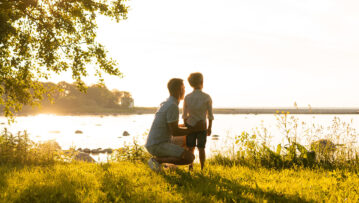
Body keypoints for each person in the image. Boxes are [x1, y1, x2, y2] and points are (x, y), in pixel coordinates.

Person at [145, 78, 205, 172]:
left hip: (154, 143)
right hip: (157, 145)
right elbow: (175, 132)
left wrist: (190, 126)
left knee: (186, 139)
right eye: (184, 88)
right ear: (179, 89)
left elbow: (172, 126)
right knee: (189, 158)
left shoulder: (167, 103)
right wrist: (195, 129)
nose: (185, 90)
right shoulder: (172, 106)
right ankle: (157, 160)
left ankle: (167, 164)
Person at [182, 72, 214, 170]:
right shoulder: (207, 97)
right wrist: (209, 128)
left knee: (190, 148)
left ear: (190, 83)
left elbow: (184, 115)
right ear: (201, 82)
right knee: (201, 148)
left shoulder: (187, 97)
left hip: (190, 126)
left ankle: (190, 166)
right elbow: (210, 115)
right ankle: (202, 168)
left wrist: (186, 126)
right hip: (202, 127)